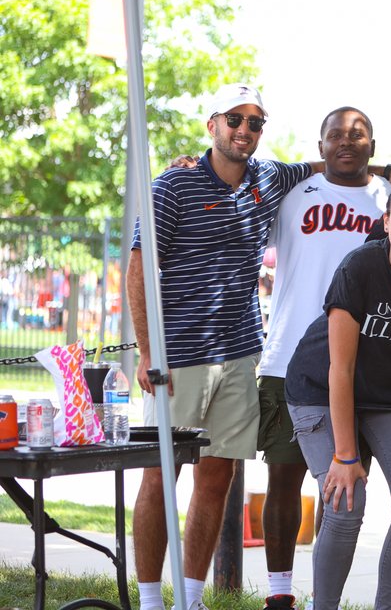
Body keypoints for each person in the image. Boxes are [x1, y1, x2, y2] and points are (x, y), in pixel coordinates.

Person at [127, 84, 312, 610]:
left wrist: (388, 173)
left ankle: (190, 599)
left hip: (241, 354)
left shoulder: (268, 178)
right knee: (162, 474)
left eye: (256, 122)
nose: (245, 130)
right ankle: (149, 602)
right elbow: (140, 268)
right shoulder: (174, 186)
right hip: (179, 357)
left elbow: (327, 165)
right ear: (212, 125)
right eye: (235, 119)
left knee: (219, 475)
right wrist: (147, 351)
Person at [285, 165, 391, 610]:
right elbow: (339, 370)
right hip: (320, 388)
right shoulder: (360, 266)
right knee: (345, 502)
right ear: (386, 221)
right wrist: (345, 456)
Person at [255, 107, 391, 610]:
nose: (346, 142)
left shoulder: (390, 200)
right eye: (335, 135)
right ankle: (279, 593)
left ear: (373, 145)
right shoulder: (291, 195)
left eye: (358, 134)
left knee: (348, 488)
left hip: (367, 363)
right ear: (320, 147)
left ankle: (326, 598)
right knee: (284, 478)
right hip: (290, 357)